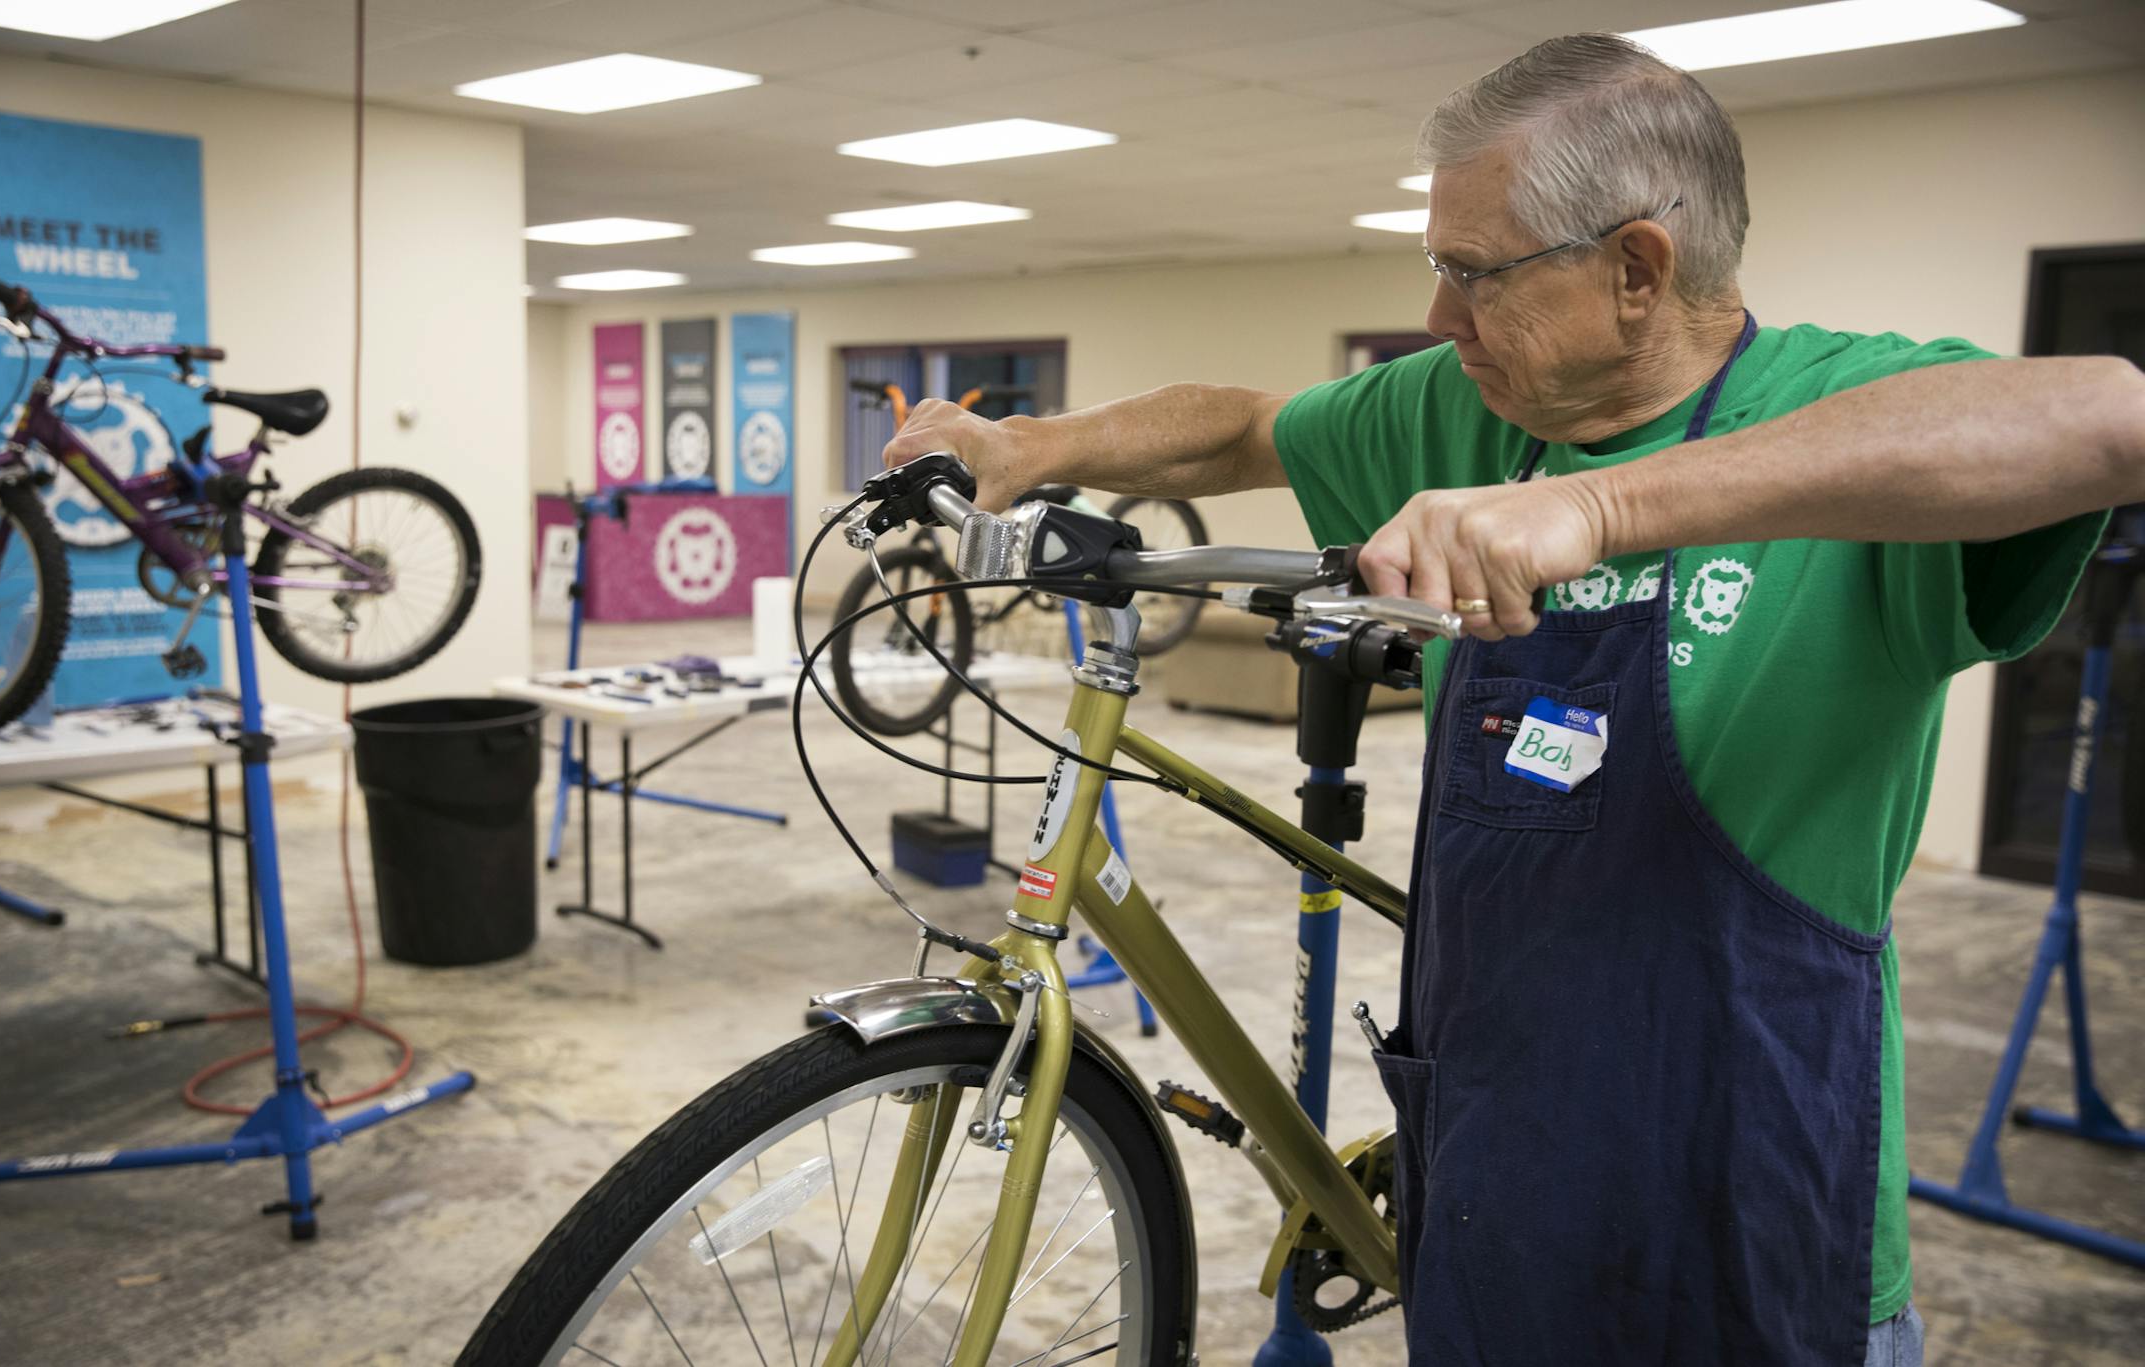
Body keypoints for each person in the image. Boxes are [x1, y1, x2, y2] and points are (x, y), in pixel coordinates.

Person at [883, 33, 2144, 1367]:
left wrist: (1597, 508)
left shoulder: (1834, 404)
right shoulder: (1467, 410)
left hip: (1747, 1199)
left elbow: (2108, 418)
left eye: (1475, 273)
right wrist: (1029, 447)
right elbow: (1249, 427)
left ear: (1635, 270)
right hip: (1495, 1185)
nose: (1439, 316)